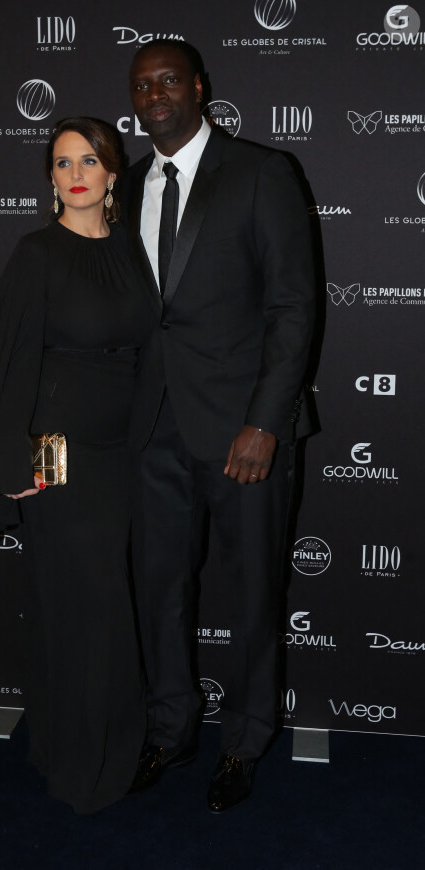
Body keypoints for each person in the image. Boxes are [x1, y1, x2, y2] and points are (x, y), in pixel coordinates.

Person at [122, 40, 317, 811]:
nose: (154, 93)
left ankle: (244, 741)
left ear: (199, 87)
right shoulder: (130, 181)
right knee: (159, 590)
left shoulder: (263, 171)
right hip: (153, 433)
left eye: (168, 79)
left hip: (244, 434)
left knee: (251, 596)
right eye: (141, 85)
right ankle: (171, 729)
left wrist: (265, 423)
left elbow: (293, 307)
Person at [0, 117, 154, 814]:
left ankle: (65, 738)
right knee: (87, 608)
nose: (75, 172)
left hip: (129, 454)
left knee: (103, 605)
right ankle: (85, 762)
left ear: (112, 173)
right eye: (61, 162)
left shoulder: (136, 251)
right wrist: (13, 460)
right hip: (63, 461)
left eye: (89, 160)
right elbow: (8, 363)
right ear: (50, 179)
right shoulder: (36, 255)